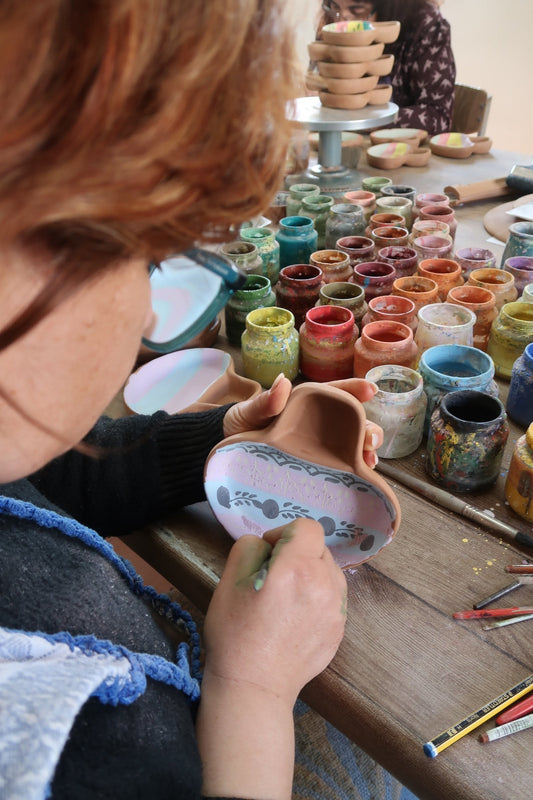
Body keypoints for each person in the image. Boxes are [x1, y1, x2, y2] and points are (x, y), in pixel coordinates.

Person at [0, 2, 386, 798]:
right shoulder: (67, 758)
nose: (146, 312)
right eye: (140, 256)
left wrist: (217, 438)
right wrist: (254, 691)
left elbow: (66, 483)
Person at [315, 0, 456, 135]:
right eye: (335, 7)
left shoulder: (425, 24)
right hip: (341, 144)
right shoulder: (332, 22)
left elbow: (438, 116)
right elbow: (316, 93)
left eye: (357, 11)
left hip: (398, 151)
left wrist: (367, 120)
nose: (342, 24)